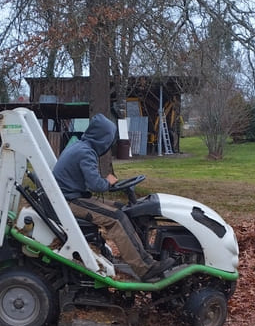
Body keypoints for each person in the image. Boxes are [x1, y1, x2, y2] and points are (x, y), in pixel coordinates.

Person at [52, 113, 173, 282]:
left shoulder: (80, 146)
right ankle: (145, 268)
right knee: (116, 218)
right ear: (103, 138)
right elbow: (96, 185)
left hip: (71, 196)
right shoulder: (86, 152)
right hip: (69, 201)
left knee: (122, 208)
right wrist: (108, 182)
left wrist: (108, 183)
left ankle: (139, 255)